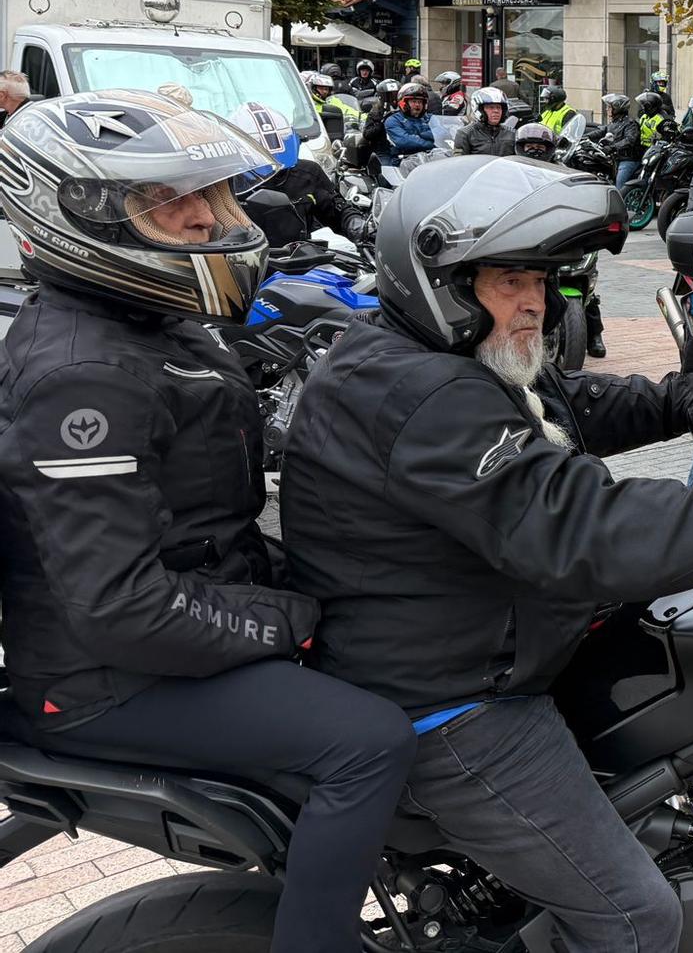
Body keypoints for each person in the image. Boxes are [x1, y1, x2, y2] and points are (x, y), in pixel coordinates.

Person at [281, 155, 693, 953]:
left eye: (543, 279)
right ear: (442, 280)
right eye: (511, 281)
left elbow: (561, 406)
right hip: (457, 703)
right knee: (640, 919)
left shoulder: (428, 358)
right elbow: (587, 532)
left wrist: (692, 403)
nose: (535, 300)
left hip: (476, 644)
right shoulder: (425, 398)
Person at [0, 91, 417, 953]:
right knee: (367, 743)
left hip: (164, 633)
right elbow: (122, 606)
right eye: (169, 203)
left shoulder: (158, 323)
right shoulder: (82, 373)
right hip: (104, 679)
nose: (204, 219)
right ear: (77, 211)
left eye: (208, 196)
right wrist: (295, 618)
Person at [230, 100, 374, 245]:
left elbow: (335, 208)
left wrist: (354, 223)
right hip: (252, 261)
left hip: (305, 256)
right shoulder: (228, 185)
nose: (274, 168)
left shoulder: (308, 172)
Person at [383, 81, 438, 164]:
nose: (417, 105)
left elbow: (441, 134)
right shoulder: (393, 120)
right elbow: (405, 141)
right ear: (404, 103)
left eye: (420, 102)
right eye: (413, 101)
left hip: (431, 158)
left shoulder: (430, 118)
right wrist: (431, 143)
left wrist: (420, 135)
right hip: (404, 161)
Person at [455, 87, 517, 158]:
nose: (496, 111)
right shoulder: (465, 134)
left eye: (498, 107)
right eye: (491, 107)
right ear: (479, 110)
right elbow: (460, 162)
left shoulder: (512, 134)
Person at [599, 94, 641, 187]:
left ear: (617, 108)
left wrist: (612, 147)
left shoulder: (630, 124)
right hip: (615, 158)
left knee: (619, 184)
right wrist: (584, 136)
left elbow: (629, 140)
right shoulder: (614, 122)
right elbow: (601, 131)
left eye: (609, 107)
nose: (606, 109)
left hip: (628, 160)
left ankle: (620, 200)